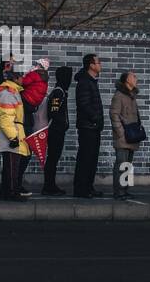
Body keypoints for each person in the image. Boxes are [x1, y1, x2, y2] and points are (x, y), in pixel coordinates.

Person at [0, 71, 29, 200]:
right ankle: (12, 193)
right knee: (13, 167)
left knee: (9, 166)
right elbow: (6, 118)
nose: (23, 79)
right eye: (22, 76)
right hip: (10, 135)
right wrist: (13, 137)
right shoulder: (9, 94)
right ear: (16, 78)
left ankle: (5, 192)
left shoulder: (10, 92)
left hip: (11, 133)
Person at [73, 53, 104, 198]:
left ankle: (88, 187)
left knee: (91, 159)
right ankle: (81, 189)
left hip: (92, 126)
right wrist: (96, 118)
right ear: (91, 65)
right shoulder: (85, 82)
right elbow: (84, 104)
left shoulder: (91, 81)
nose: (100, 65)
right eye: (98, 62)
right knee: (86, 159)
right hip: (88, 127)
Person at [18, 59, 50, 195]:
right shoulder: (44, 79)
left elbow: (22, 83)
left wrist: (25, 75)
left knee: (22, 152)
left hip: (24, 104)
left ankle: (16, 184)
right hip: (31, 107)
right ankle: (17, 183)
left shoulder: (34, 75)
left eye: (36, 65)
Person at [110, 71, 142, 200]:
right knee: (121, 164)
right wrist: (121, 132)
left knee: (128, 165)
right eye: (133, 76)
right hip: (123, 137)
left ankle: (125, 190)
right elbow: (114, 115)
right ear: (126, 80)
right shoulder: (119, 95)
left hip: (132, 136)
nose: (136, 78)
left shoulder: (132, 96)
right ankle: (119, 191)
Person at [42, 66, 73, 195]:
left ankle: (50, 185)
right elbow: (53, 111)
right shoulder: (59, 92)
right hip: (55, 131)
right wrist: (61, 124)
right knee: (53, 159)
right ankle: (49, 186)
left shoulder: (60, 91)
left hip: (57, 130)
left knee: (53, 158)